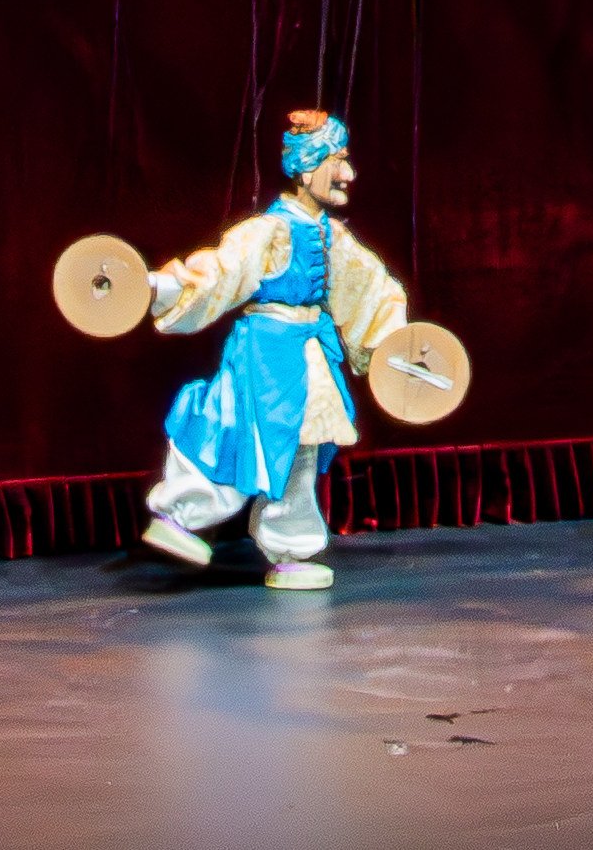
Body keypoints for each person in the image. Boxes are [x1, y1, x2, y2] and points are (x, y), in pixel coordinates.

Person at [134, 109, 417, 592]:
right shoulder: (268, 232)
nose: (348, 174)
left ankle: (291, 547)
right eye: (339, 160)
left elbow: (371, 288)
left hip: (309, 353)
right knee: (238, 432)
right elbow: (219, 273)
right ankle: (181, 514)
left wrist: (395, 342)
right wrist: (156, 286)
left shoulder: (333, 236)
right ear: (308, 167)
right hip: (265, 357)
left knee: (301, 453)